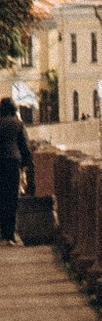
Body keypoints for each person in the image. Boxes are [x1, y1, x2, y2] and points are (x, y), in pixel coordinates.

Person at [0, 102, 30, 245]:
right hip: (13, 162)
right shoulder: (18, 124)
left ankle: (2, 232)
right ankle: (9, 235)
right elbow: (24, 146)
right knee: (11, 198)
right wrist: (27, 165)